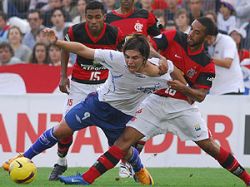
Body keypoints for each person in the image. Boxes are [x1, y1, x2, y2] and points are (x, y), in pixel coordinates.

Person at [57, 17, 250, 187]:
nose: (191, 34)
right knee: (124, 141)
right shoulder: (174, 36)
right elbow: (148, 46)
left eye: (197, 32)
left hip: (182, 107)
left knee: (210, 147)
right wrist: (161, 58)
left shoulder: (206, 63)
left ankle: (247, 179)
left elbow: (199, 96)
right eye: (191, 28)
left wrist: (182, 87)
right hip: (155, 101)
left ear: (207, 39)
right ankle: (86, 178)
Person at [3, 30, 180, 186]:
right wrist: (57, 42)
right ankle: (23, 157)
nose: (129, 62)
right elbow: (82, 50)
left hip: (121, 116)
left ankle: (139, 169)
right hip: (97, 104)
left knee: (124, 152)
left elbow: (180, 78)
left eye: (134, 58)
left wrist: (172, 71)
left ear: (145, 58)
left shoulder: (162, 72)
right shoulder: (116, 59)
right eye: (127, 57)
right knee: (61, 130)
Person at [47, 1, 125, 181]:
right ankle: (61, 161)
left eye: (98, 17)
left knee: (117, 133)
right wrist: (63, 75)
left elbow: (125, 56)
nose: (94, 21)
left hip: (106, 87)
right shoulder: (76, 31)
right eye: (89, 17)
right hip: (80, 86)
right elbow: (65, 49)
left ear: (104, 17)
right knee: (64, 129)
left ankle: (129, 166)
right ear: (85, 17)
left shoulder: (115, 34)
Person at [105, 0, 162, 177]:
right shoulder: (109, 18)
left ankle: (126, 164)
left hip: (145, 75)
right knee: (120, 123)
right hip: (122, 76)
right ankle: (127, 160)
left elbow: (159, 38)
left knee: (141, 123)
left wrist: (156, 57)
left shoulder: (145, 15)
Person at [206, 26, 244, 95]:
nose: (208, 41)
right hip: (216, 91)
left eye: (209, 38)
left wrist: (208, 59)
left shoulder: (227, 40)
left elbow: (227, 63)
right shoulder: (208, 44)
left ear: (214, 34)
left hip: (231, 89)